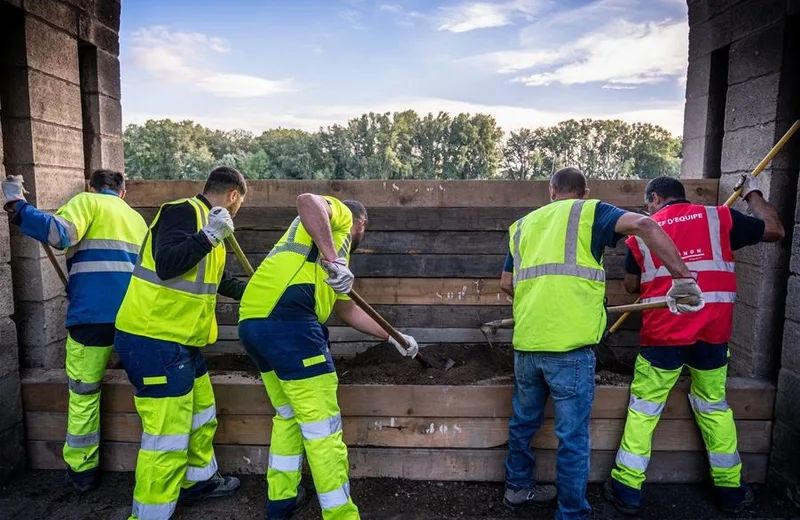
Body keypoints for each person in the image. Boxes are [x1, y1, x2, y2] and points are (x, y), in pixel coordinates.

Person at [499, 168, 704, 520]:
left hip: (528, 344)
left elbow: (506, 284)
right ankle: (572, 512)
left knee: (522, 423)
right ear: (584, 191)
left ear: (551, 191)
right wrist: (683, 278)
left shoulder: (522, 225)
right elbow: (647, 226)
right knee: (572, 436)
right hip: (571, 349)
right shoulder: (589, 210)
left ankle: (517, 488)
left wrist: (541, 301)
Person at [605, 175, 784, 516]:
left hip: (663, 335)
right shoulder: (721, 217)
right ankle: (731, 490)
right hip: (713, 334)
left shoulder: (642, 232)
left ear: (656, 198)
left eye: (648, 204)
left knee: (644, 411)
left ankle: (627, 490)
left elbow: (630, 287)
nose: (647, 209)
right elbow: (774, 229)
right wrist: (754, 193)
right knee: (714, 408)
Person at [238, 193, 419, 520]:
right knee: (323, 429)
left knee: (288, 415)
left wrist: (393, 337)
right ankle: (341, 515)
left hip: (254, 322)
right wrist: (336, 260)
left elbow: (347, 309)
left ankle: (281, 502)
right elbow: (307, 200)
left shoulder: (323, 252)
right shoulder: (344, 220)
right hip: (290, 323)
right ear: (362, 223)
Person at [113, 166, 249, 520]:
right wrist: (208, 237)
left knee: (202, 413)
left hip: (182, 341)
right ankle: (148, 515)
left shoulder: (212, 227)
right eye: (240, 203)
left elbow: (225, 282)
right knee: (166, 437)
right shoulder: (183, 212)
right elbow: (167, 264)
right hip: (152, 339)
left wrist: (269, 292)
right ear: (234, 195)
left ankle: (197, 482)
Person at [1, 170, 147, 492]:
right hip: (134, 318)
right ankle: (150, 462)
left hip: (91, 318)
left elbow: (59, 234)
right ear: (123, 192)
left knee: (84, 394)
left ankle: (82, 473)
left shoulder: (87, 202)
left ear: (92, 187)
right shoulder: (137, 220)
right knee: (146, 392)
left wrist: (17, 203)